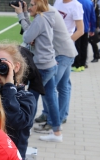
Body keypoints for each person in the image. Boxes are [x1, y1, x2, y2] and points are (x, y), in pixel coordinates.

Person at [11, 0, 63, 142]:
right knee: (51, 99)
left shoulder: (40, 19)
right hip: (49, 65)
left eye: (33, 4)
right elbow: (30, 32)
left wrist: (21, 15)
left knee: (31, 100)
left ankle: (24, 132)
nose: (30, 5)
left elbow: (27, 37)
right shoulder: (45, 16)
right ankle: (57, 132)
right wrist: (25, 14)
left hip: (42, 67)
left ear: (40, 5)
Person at [0, 40, 36, 159]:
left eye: (3, 64)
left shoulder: (27, 97)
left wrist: (9, 86)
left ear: (16, 67)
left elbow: (15, 121)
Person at [28, 4, 78, 134]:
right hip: (65, 51)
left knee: (49, 90)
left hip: (61, 53)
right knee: (62, 87)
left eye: (32, 4)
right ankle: (57, 119)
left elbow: (29, 34)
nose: (30, 6)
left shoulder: (45, 12)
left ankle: (53, 122)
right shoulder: (50, 8)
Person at [54, 0, 84, 72]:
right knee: (64, 81)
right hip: (54, 45)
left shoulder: (76, 5)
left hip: (64, 48)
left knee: (55, 79)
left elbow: (80, 31)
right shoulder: (57, 2)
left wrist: (66, 43)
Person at [73, 0, 96, 70]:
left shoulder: (74, 2)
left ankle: (76, 63)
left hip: (75, 29)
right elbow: (93, 17)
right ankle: (83, 63)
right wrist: (92, 29)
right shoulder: (89, 3)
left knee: (76, 47)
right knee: (84, 46)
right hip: (85, 29)